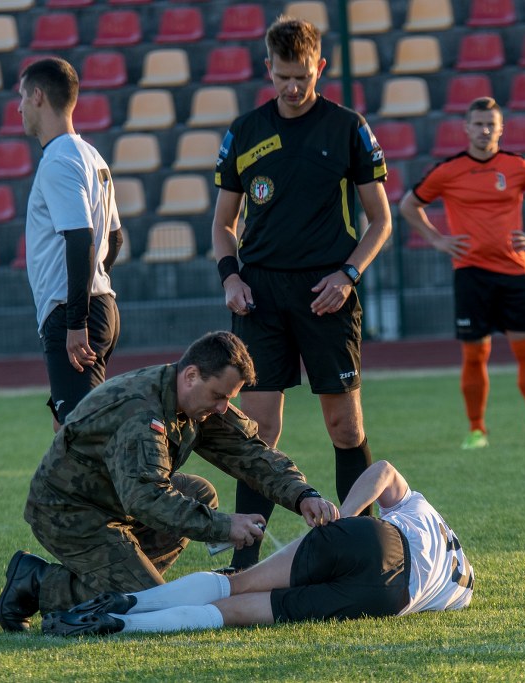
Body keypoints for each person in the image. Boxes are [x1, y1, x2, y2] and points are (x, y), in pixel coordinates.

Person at [0, 331, 340, 631]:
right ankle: (38, 582)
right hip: (69, 512)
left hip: (113, 499)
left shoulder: (194, 397)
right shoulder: (140, 412)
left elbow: (250, 453)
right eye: (220, 396)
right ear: (191, 375)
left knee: (198, 494)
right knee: (148, 604)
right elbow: (146, 499)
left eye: (228, 399)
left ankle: (122, 575)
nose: (223, 408)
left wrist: (303, 495)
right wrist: (224, 526)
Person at [210, 16, 393, 572]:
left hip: (326, 293)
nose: (292, 87)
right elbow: (223, 224)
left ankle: (364, 551)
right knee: (259, 430)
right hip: (261, 296)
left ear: (321, 68)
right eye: (283, 76)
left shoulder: (347, 128)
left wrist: (348, 276)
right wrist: (231, 277)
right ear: (268, 68)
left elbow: (380, 221)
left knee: (346, 427)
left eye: (302, 76)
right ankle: (246, 563)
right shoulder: (244, 132)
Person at [41, 459, 473, 635]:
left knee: (239, 584)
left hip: (375, 538)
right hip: (391, 597)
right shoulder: (463, 590)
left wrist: (346, 515)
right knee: (239, 612)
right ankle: (123, 627)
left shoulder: (425, 515)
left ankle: (126, 603)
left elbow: (382, 470)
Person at [399, 97, 525, 450]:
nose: (484, 130)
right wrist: (438, 240)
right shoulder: (448, 171)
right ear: (466, 128)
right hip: (471, 273)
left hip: (514, 273)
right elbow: (407, 205)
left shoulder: (518, 166)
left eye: (491, 124)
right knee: (475, 354)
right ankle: (476, 430)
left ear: (501, 128)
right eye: (478, 124)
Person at [19, 57, 124, 431]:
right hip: (96, 306)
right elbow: (115, 237)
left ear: (37, 97)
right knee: (65, 428)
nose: (18, 108)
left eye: (21, 97)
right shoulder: (90, 154)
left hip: (73, 314)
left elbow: (81, 239)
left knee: (87, 437)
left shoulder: (59, 160)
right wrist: (97, 283)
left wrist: (76, 319)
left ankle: (167, 489)